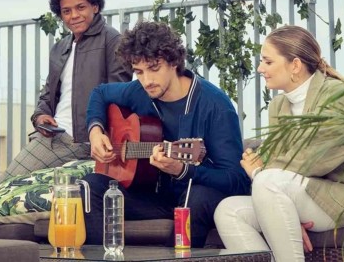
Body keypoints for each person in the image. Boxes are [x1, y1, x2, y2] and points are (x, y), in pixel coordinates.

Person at [214, 25, 344, 261]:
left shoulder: (335, 95)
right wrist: (284, 213)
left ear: (295, 65)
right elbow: (282, 164)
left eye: (268, 62)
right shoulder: (278, 106)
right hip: (311, 195)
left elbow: (314, 159)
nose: (260, 68)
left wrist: (259, 171)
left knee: (268, 180)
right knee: (229, 211)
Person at [85, 21, 250, 248]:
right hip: (154, 194)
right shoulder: (139, 91)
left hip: (198, 194)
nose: (146, 81)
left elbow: (236, 179)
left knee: (198, 199)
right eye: (139, 72)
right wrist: (95, 130)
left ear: (173, 62)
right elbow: (100, 93)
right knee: (90, 186)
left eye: (154, 68)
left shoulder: (215, 105)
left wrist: (184, 170)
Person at [0, 0, 132, 184]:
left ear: (95, 6)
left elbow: (119, 96)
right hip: (54, 135)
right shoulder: (60, 48)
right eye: (66, 11)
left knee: (5, 184)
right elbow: (47, 94)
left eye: (80, 7)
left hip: (82, 141)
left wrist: (98, 134)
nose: (74, 15)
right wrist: (40, 117)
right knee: (7, 188)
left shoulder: (112, 40)